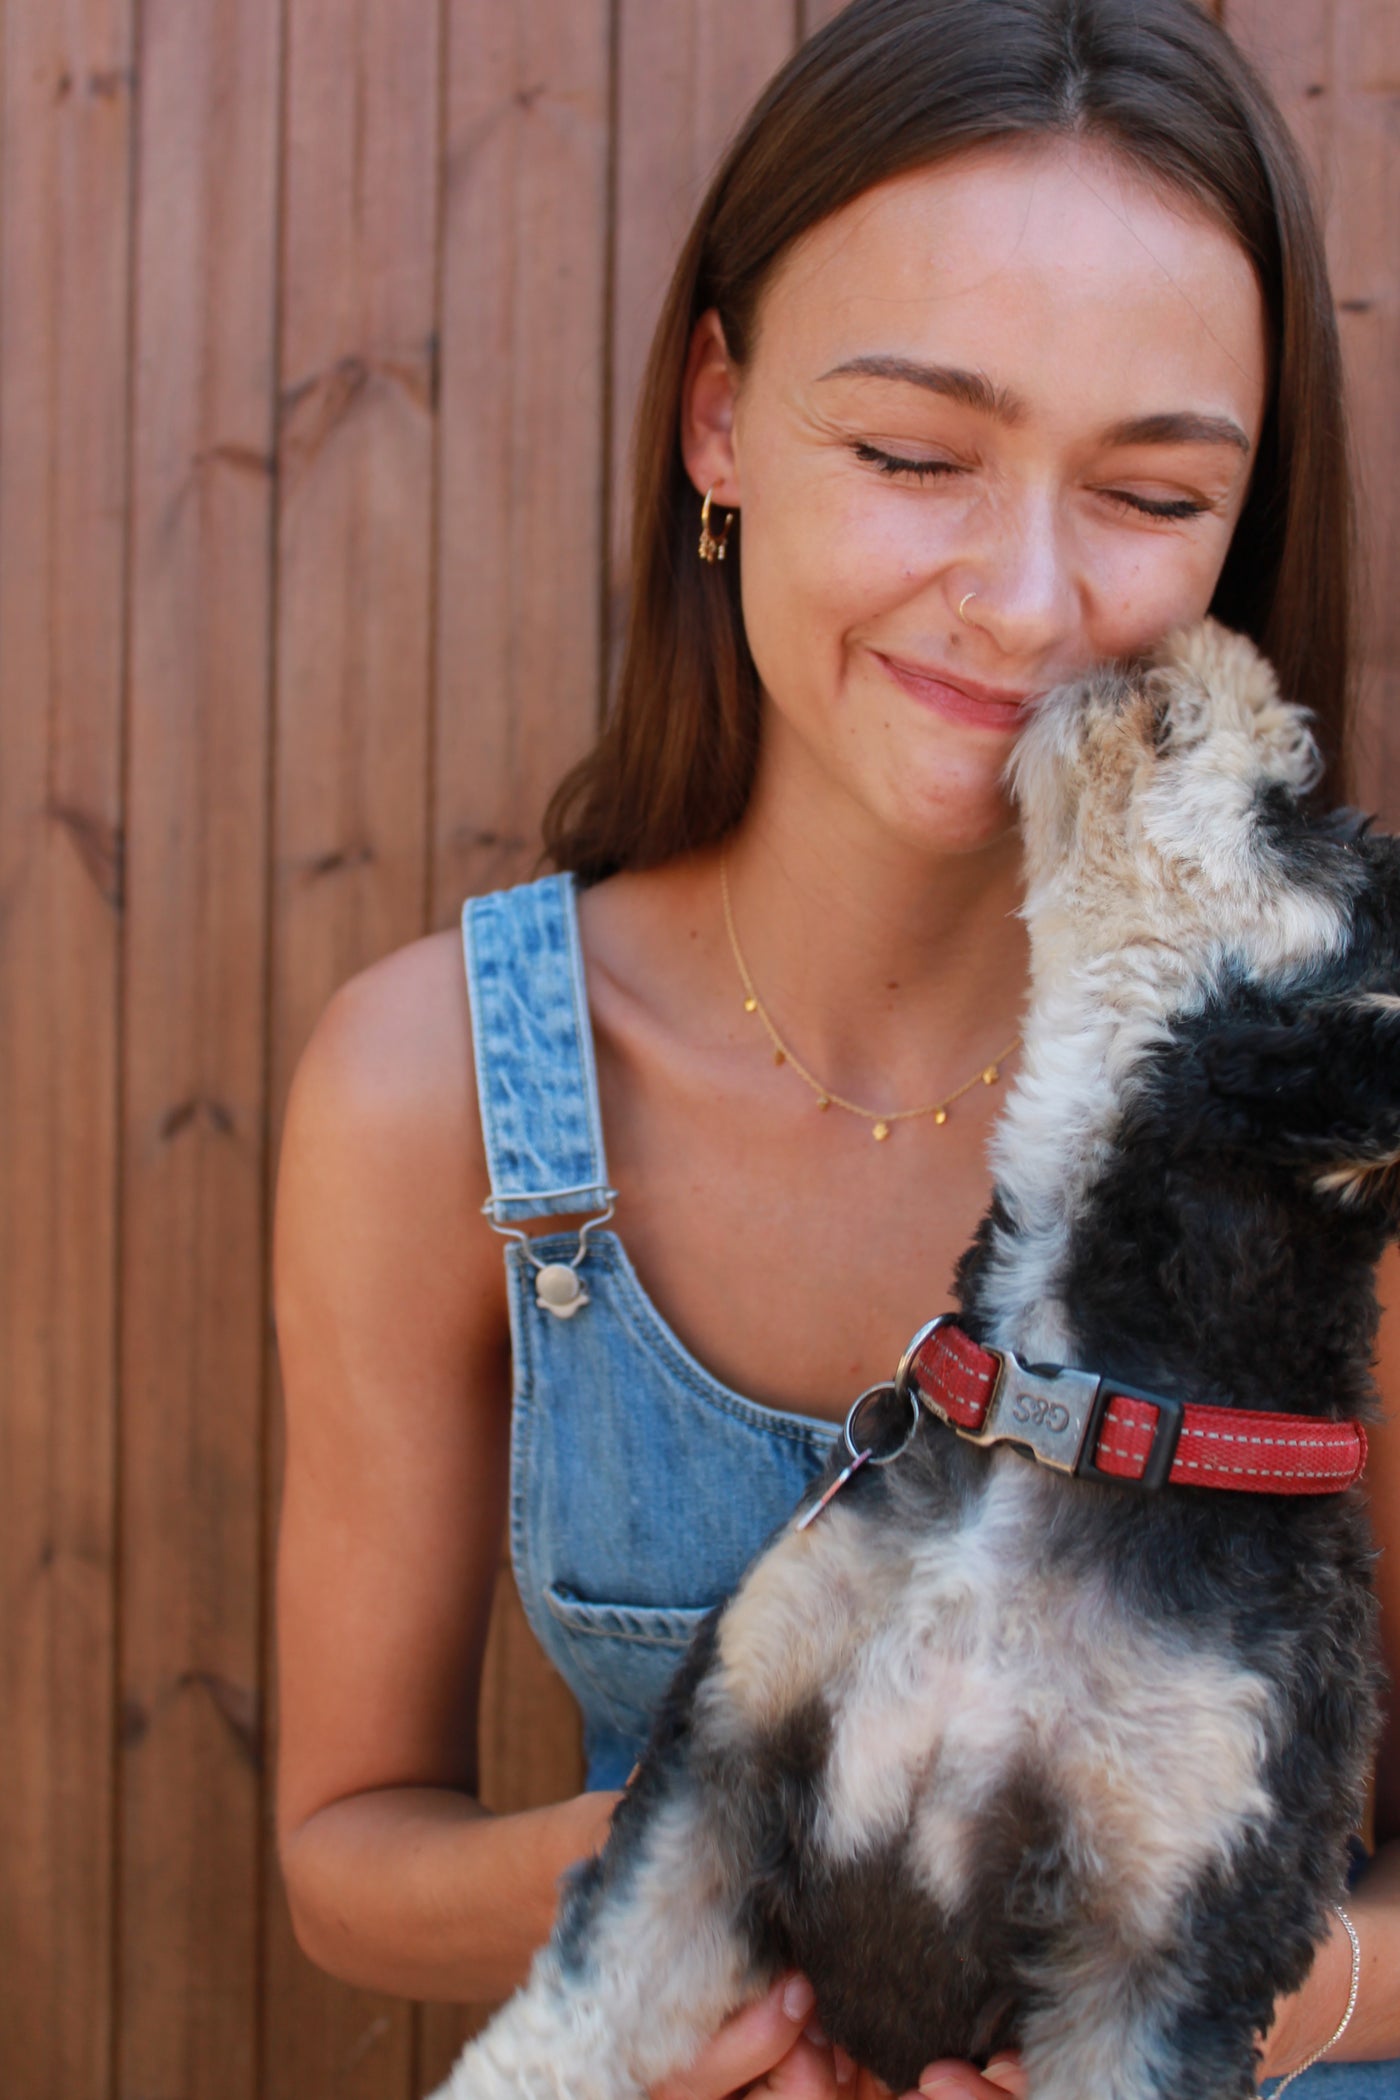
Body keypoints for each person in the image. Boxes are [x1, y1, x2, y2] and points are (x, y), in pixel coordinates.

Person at [271, 1, 1400, 2092]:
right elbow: (348, 1855)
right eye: (909, 454)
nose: (1025, 599)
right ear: (719, 417)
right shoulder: (436, 1089)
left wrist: (1172, 2004)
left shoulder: (1334, 1114)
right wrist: (744, 1883)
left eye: (1150, 490)